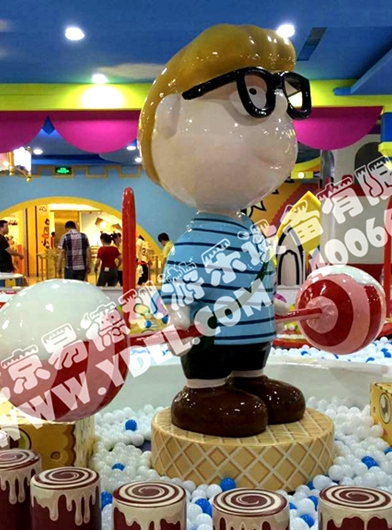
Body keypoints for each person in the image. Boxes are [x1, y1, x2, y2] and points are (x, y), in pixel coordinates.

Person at [139, 24, 310, 437]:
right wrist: (177, 311)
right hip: (209, 335)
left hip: (254, 334)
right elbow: (179, 277)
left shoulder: (251, 234)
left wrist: (272, 305)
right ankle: (202, 392)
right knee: (210, 365)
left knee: (258, 376)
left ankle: (251, 379)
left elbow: (261, 274)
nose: (279, 130)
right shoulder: (192, 243)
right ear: (171, 115)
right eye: (251, 96)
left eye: (281, 104)